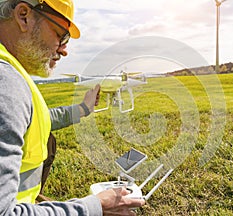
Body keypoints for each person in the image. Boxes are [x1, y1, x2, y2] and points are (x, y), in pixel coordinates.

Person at [0, 0, 145, 215]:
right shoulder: (7, 83)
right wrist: (95, 206)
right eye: (61, 35)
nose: (64, 50)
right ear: (23, 16)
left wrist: (82, 109)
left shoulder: (10, 73)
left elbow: (30, 121)